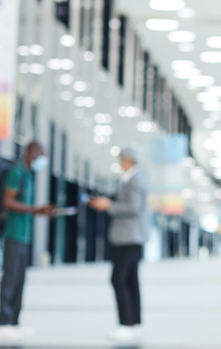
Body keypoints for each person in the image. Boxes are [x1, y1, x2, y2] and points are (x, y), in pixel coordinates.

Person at [0, 141, 55, 341]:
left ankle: (14, 321)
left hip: (25, 235)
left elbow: (27, 206)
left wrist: (39, 211)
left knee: (20, 280)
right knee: (10, 278)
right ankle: (3, 321)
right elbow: (8, 201)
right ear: (32, 152)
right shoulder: (17, 171)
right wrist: (34, 209)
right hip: (13, 234)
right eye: (42, 154)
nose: (43, 159)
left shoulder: (29, 174)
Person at [91, 144, 149, 344]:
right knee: (131, 280)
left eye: (121, 159)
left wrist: (108, 205)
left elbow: (132, 207)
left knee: (119, 279)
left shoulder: (135, 179)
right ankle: (133, 323)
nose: (119, 163)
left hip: (128, 237)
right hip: (128, 237)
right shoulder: (131, 179)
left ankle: (126, 324)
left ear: (128, 160)